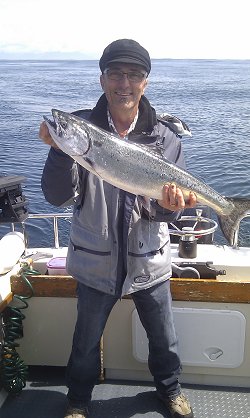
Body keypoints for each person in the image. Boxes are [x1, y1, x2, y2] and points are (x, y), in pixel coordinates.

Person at [39, 39, 197, 418]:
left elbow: (162, 214)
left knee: (164, 340)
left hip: (149, 261)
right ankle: (77, 401)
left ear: (146, 82)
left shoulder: (165, 137)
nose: (124, 83)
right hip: (96, 260)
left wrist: (167, 206)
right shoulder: (81, 131)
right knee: (85, 342)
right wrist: (60, 150)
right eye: (115, 74)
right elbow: (58, 196)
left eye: (134, 75)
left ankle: (170, 390)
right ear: (102, 79)